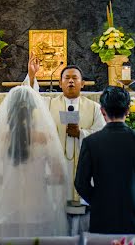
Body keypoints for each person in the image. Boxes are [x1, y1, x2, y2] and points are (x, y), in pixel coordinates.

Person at [0, 85, 68, 245]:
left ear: (9, 110)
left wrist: (8, 178)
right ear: (34, 110)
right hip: (38, 208)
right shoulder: (45, 138)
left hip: (7, 208)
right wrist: (39, 179)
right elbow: (59, 177)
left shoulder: (1, 139)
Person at [74, 86, 135, 234]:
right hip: (134, 214)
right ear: (128, 110)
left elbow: (81, 182)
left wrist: (98, 200)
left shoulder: (91, 142)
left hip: (102, 215)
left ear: (102, 111)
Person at [26, 57, 105, 202]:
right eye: (66, 78)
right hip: (56, 164)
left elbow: (101, 136)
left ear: (82, 84)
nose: (70, 81)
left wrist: (81, 133)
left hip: (83, 164)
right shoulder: (49, 104)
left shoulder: (94, 107)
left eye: (75, 78)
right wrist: (32, 77)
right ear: (60, 83)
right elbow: (31, 99)